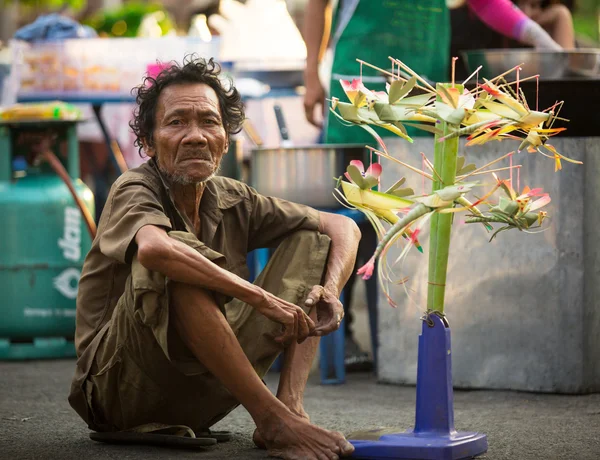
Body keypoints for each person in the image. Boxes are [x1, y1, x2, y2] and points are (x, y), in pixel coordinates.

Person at [68, 55, 360, 460]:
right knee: (176, 256)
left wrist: (330, 291)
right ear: (149, 143)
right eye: (176, 122)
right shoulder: (133, 187)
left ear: (226, 137)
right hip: (119, 393)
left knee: (314, 237)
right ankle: (272, 418)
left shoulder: (231, 196)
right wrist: (260, 298)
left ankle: (289, 409)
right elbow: (155, 249)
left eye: (208, 121)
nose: (195, 136)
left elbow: (343, 226)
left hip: (203, 395)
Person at [302, 0, 563, 371]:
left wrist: (539, 38)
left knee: (414, 216)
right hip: (362, 88)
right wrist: (310, 72)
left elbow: (487, 3)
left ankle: (397, 342)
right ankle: (338, 335)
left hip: (425, 90)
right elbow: (317, 5)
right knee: (359, 214)